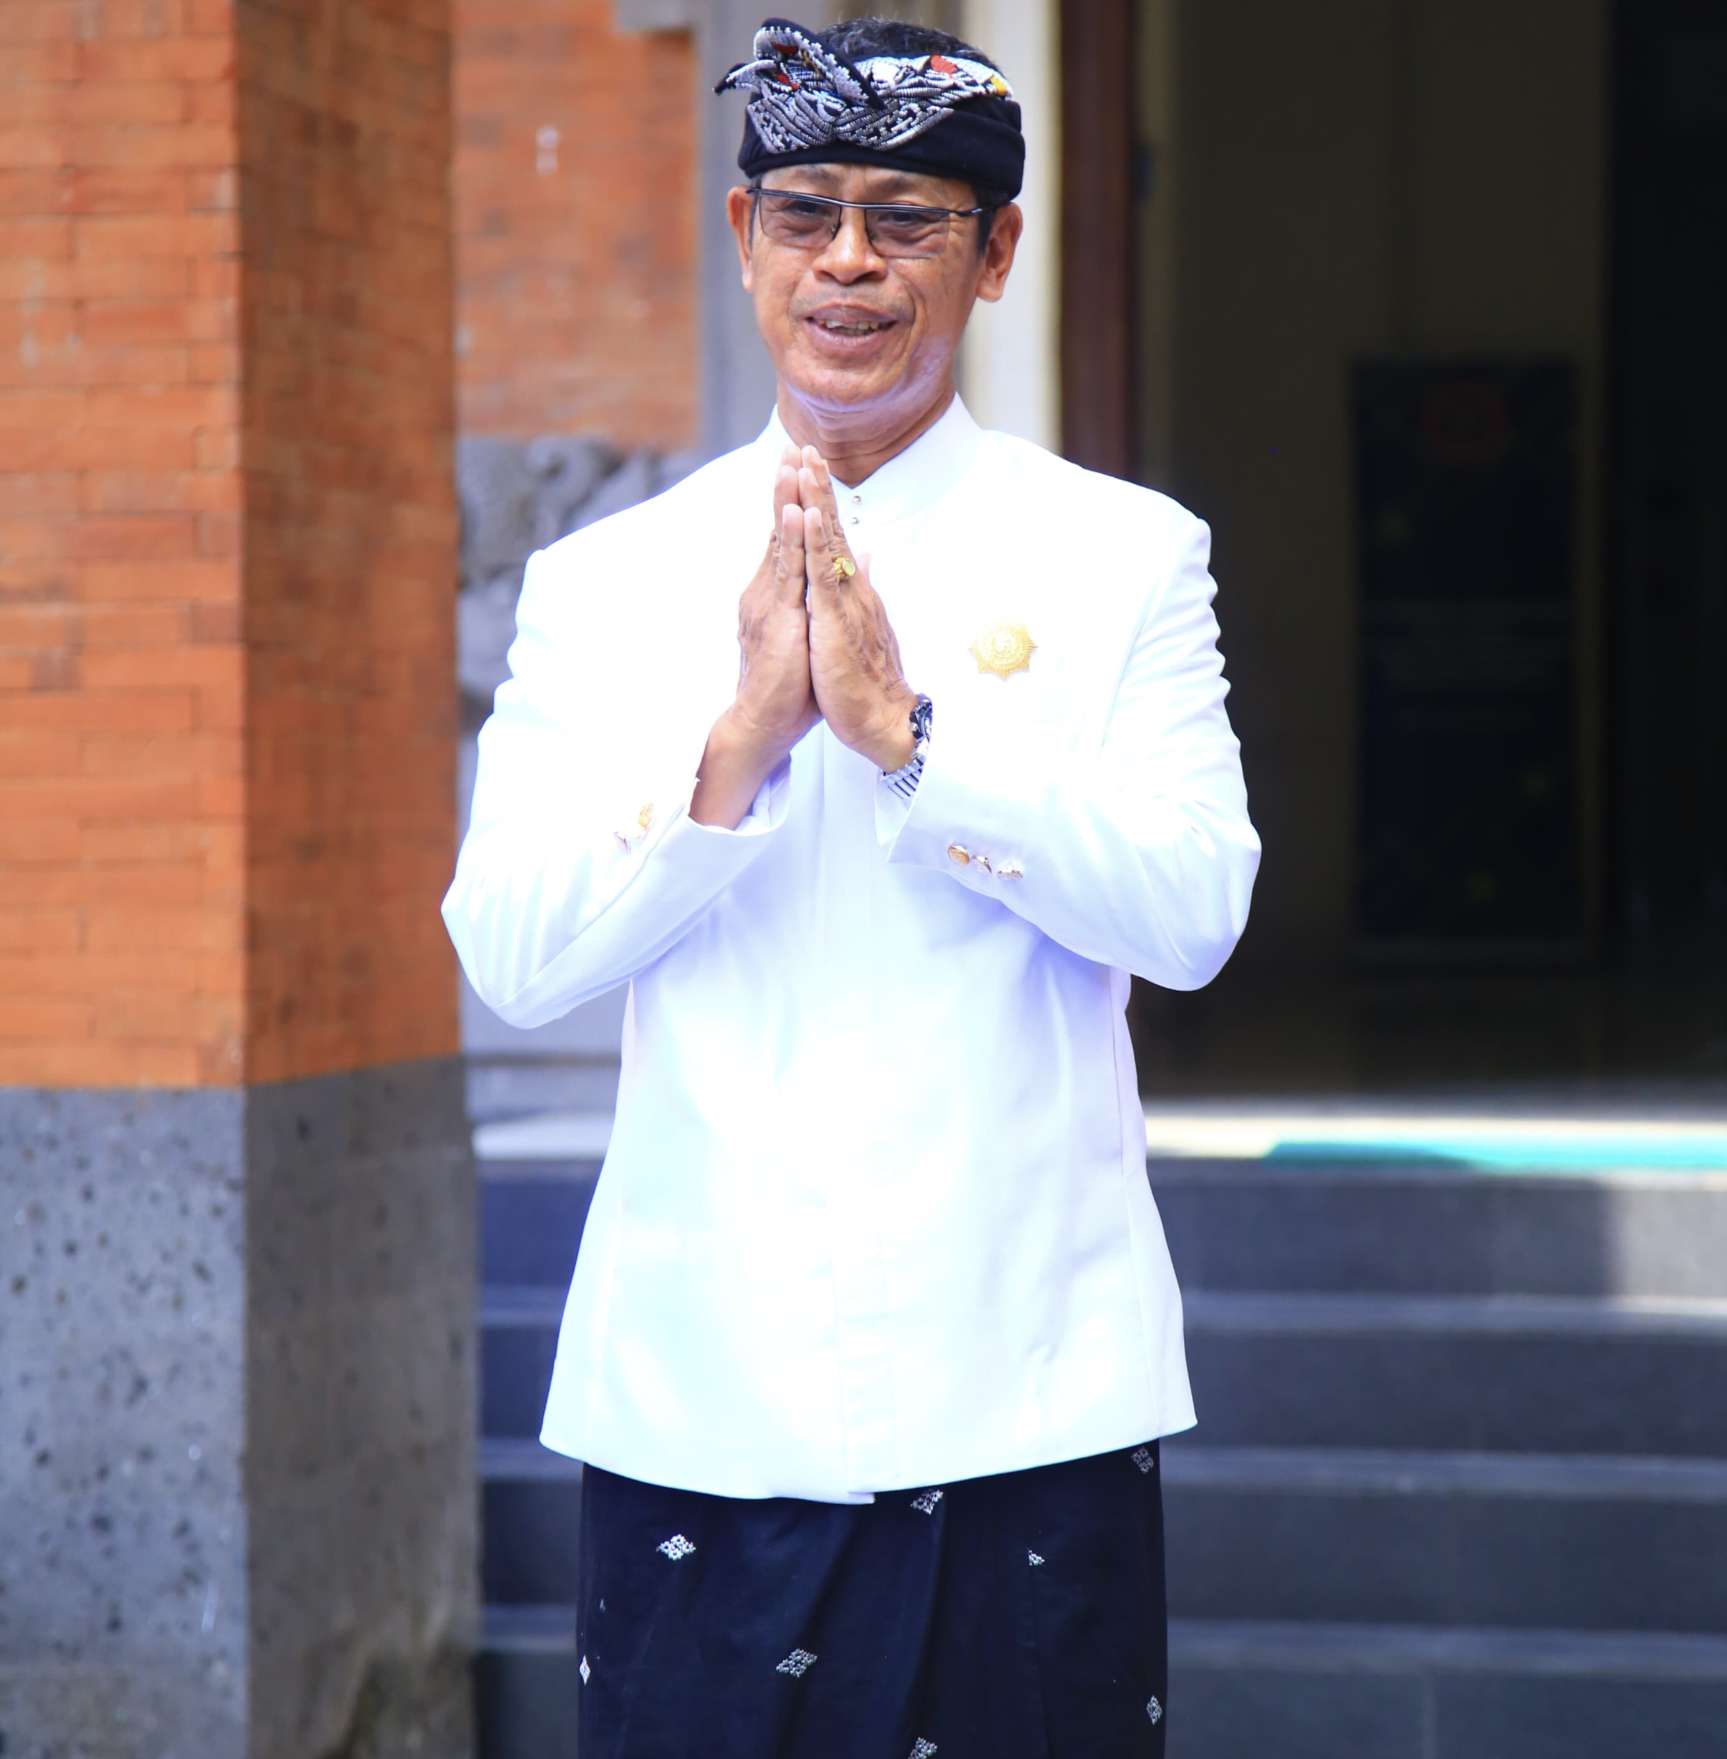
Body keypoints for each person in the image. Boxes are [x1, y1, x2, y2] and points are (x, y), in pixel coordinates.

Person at [440, 15, 1260, 1756]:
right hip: (702, 1401)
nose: (850, 261)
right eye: (806, 210)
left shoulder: (1123, 554)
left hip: (1029, 1384)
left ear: (998, 252)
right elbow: (509, 952)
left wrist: (912, 747)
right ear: (746, 239)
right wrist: (738, 744)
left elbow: (1194, 912)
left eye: (907, 218)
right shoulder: (608, 582)